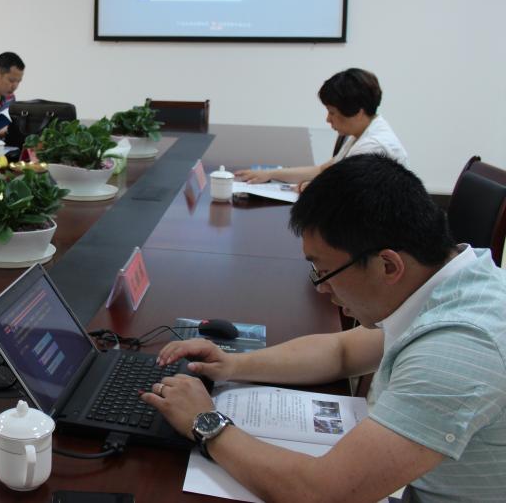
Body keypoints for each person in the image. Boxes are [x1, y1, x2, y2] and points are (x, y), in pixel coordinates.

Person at [143, 154, 506, 503]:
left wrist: (205, 422)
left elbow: (322, 492)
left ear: (388, 266)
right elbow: (341, 351)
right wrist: (231, 364)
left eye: (325, 271)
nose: (321, 288)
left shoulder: (459, 348)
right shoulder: (448, 280)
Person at [236, 68, 408, 188]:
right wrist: (269, 174)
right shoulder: (361, 132)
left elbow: (340, 194)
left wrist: (307, 188)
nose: (328, 119)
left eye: (332, 112)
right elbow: (321, 171)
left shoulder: (373, 147)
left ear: (357, 112)